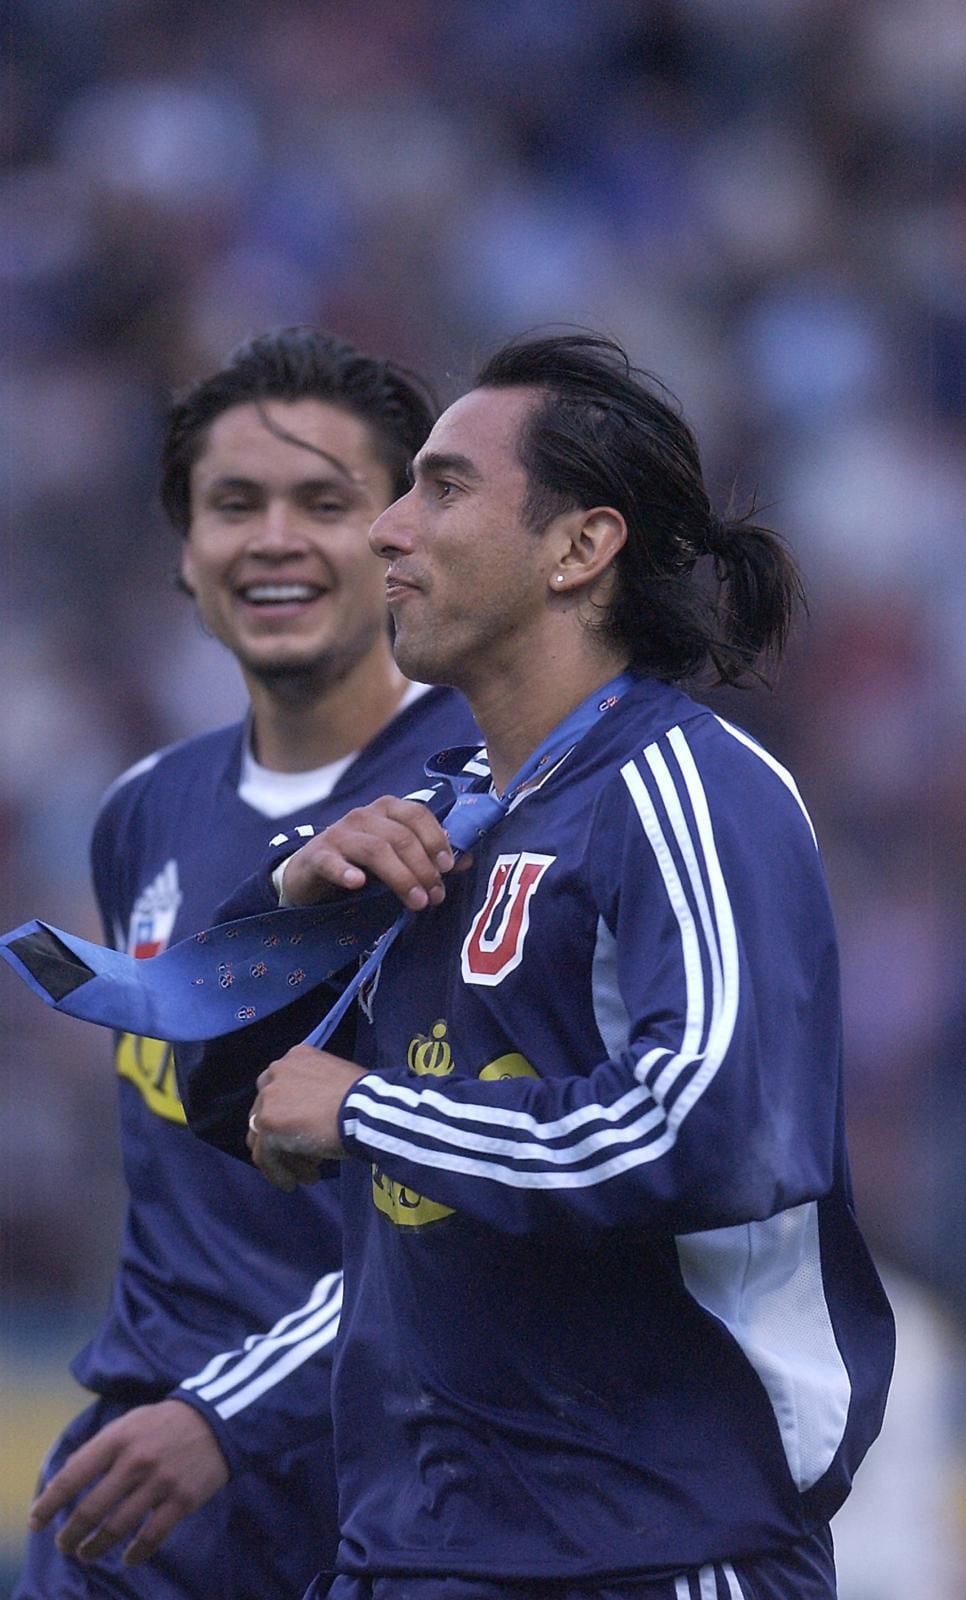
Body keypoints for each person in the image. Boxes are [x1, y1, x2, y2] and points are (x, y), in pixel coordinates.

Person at [182, 332, 895, 1600]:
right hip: (410, 1548)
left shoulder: (691, 790)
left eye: (442, 488)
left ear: (581, 547)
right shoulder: (436, 821)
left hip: (653, 1547)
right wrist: (284, 906)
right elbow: (229, 1095)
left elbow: (713, 1128)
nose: (385, 531)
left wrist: (368, 1109)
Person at [15, 327, 478, 1600]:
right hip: (138, 1491)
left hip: (390, 1489)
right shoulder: (142, 809)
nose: (274, 536)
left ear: (402, 540)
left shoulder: (489, 802)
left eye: (326, 501)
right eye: (233, 503)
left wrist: (230, 1412)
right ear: (184, 553)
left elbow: (484, 1220)